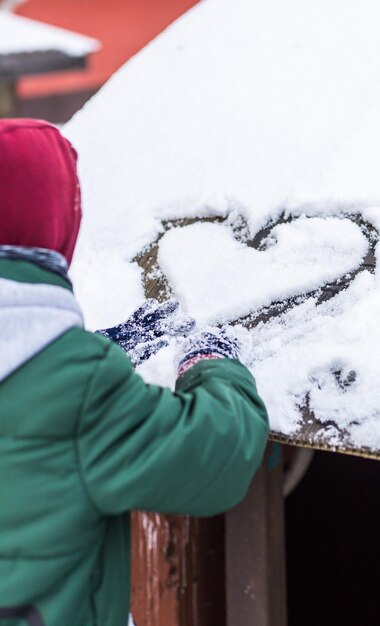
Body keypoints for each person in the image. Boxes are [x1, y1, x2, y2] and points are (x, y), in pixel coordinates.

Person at [0, 119, 269, 626]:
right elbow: (215, 456)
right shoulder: (74, 390)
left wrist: (86, 353)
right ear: (56, 228)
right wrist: (212, 363)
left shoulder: (65, 379)